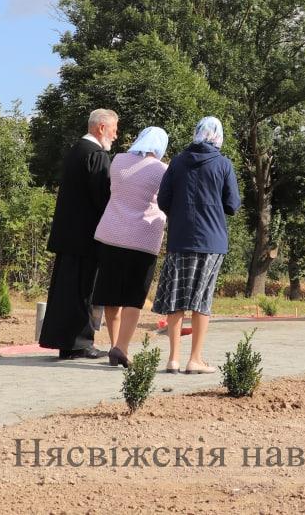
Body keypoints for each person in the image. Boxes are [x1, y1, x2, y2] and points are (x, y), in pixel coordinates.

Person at [153, 116, 241, 374]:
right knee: (201, 300)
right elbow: (233, 204)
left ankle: (173, 359)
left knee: (177, 298)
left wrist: (180, 212)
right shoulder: (223, 164)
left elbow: (162, 200)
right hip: (211, 240)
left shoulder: (178, 162)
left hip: (180, 237)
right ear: (218, 136)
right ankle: (195, 359)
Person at [39, 108, 118, 359]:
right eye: (114, 131)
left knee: (65, 292)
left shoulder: (76, 151)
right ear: (101, 128)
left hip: (67, 235)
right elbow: (103, 198)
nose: (115, 137)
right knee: (83, 291)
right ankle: (80, 343)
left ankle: (65, 342)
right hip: (86, 237)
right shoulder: (96, 155)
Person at [92, 126, 169, 368]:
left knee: (110, 294)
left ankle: (115, 344)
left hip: (111, 234)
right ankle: (122, 348)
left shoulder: (118, 160)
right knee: (133, 298)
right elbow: (166, 201)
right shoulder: (161, 170)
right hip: (142, 240)